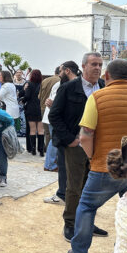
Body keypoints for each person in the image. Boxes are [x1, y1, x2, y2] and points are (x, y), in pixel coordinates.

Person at [67, 59, 127, 253]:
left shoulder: (98, 97)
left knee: (87, 206)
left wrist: (92, 157)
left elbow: (86, 135)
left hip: (104, 166)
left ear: (107, 76)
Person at [49, 52, 106, 242]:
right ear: (83, 66)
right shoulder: (68, 88)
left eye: (100, 64)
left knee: (91, 186)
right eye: (93, 64)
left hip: (98, 146)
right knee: (74, 186)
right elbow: (54, 115)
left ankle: (87, 222)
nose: (97, 68)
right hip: (75, 145)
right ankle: (71, 223)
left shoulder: (104, 88)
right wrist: (69, 139)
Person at [44, 61, 79, 202]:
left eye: (60, 71)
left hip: (68, 134)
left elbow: (63, 112)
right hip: (72, 134)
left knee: (66, 166)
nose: (59, 74)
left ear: (67, 71)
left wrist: (54, 105)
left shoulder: (66, 86)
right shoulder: (75, 85)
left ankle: (63, 194)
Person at [22, 69, 44, 156]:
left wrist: (23, 100)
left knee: (32, 130)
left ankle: (33, 149)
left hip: (31, 109)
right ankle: (41, 150)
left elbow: (27, 96)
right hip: (40, 108)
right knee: (40, 130)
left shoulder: (29, 84)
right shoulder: (42, 85)